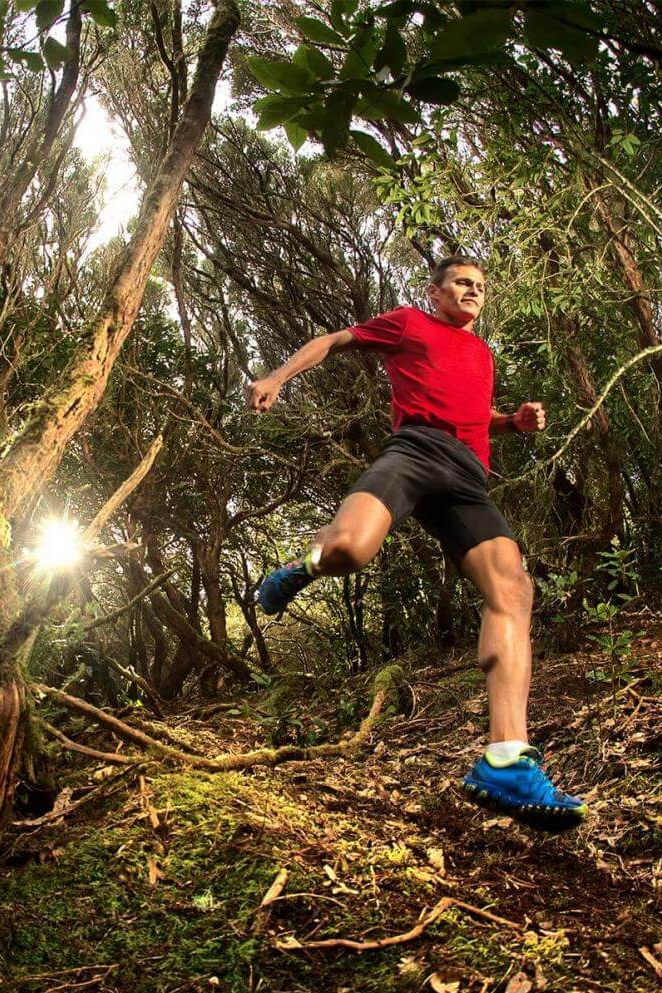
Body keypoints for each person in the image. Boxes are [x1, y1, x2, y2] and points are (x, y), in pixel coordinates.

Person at [246, 255, 586, 830]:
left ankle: (505, 759)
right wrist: (277, 377)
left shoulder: (482, 353)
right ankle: (306, 564)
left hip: (469, 477)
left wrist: (513, 423)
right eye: (461, 282)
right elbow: (334, 339)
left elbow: (476, 415)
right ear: (435, 292)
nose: (473, 291)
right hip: (414, 454)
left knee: (514, 589)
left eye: (480, 285)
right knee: (350, 550)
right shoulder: (408, 323)